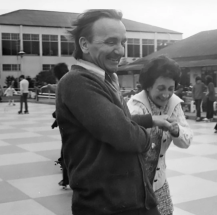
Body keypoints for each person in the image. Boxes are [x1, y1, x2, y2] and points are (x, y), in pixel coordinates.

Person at [56, 9, 169, 215]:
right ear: (84, 44)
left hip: (132, 200)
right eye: (110, 42)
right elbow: (124, 134)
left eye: (122, 42)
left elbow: (117, 121)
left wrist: (150, 119)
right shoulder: (77, 81)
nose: (120, 50)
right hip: (107, 206)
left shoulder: (106, 78)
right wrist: (148, 137)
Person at [127, 55, 193, 215]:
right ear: (148, 87)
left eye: (171, 88)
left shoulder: (174, 105)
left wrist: (176, 131)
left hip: (158, 182)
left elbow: (186, 141)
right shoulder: (135, 106)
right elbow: (126, 136)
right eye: (161, 88)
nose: (166, 94)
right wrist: (152, 121)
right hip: (131, 185)